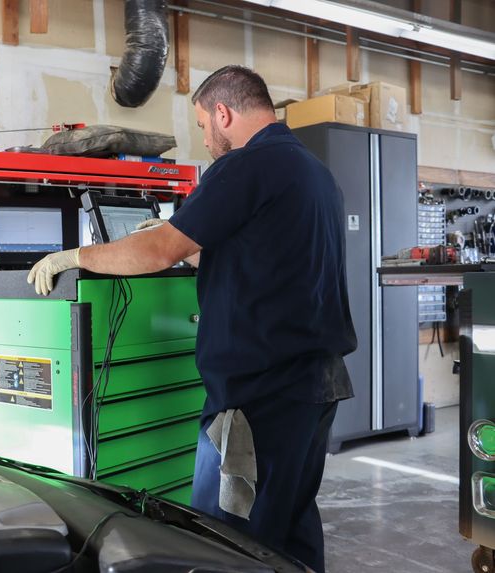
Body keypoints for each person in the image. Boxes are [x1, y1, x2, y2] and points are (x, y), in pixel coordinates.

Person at [27, 65, 356, 573]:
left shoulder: (246, 166)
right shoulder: (315, 174)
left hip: (257, 396)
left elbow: (158, 251)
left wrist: (76, 257)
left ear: (224, 112)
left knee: (222, 541)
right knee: (290, 529)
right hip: (318, 387)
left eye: (204, 125)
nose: (205, 138)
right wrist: (187, 247)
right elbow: (266, 262)